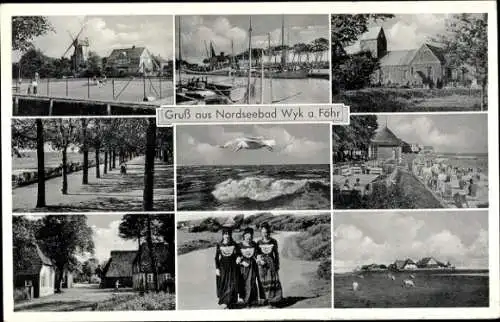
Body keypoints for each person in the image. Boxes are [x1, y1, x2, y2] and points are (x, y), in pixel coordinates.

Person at [256, 223, 283, 305]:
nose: (265, 234)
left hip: (271, 263)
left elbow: (276, 254)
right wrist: (260, 261)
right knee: (263, 281)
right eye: (263, 232)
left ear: (269, 232)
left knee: (272, 281)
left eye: (267, 232)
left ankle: (274, 300)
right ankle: (264, 299)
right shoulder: (258, 242)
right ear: (261, 232)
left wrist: (277, 264)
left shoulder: (273, 241)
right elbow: (257, 254)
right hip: (262, 265)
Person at [215, 227, 241, 309]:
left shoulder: (234, 244)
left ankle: (232, 302)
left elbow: (239, 254)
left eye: (229, 234)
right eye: (225, 234)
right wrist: (217, 268)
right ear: (223, 235)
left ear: (231, 235)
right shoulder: (219, 245)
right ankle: (225, 302)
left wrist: (238, 257)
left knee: (233, 284)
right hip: (223, 268)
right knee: (224, 284)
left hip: (233, 268)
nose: (227, 236)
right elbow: (216, 258)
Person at [238, 227, 265, 307]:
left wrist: (258, 258)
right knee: (244, 282)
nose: (248, 239)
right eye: (247, 237)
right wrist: (241, 261)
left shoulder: (254, 244)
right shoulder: (239, 245)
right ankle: (245, 300)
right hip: (243, 268)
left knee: (252, 282)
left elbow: (257, 254)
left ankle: (253, 300)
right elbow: (237, 256)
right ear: (244, 236)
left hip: (253, 266)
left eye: (250, 237)